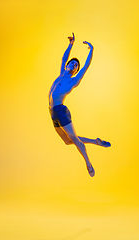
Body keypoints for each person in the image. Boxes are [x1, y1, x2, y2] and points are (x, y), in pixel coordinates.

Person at [48, 33, 111, 177]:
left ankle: (88, 164)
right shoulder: (62, 73)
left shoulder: (73, 80)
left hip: (61, 111)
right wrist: (71, 44)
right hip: (52, 112)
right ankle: (96, 141)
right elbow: (64, 57)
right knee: (67, 141)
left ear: (76, 70)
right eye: (72, 63)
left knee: (75, 140)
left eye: (76, 65)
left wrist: (91, 50)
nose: (74, 64)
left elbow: (86, 67)